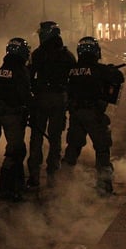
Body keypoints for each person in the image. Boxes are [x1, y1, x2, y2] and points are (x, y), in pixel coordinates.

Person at [63, 36, 125, 196]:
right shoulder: (98, 69)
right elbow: (119, 77)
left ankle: (62, 184)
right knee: (102, 148)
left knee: (73, 147)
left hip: (76, 113)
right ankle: (104, 186)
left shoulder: (72, 70)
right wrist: (110, 70)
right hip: (94, 114)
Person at [27, 21, 76, 188]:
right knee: (55, 138)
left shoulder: (37, 54)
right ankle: (52, 175)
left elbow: (29, 77)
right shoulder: (67, 55)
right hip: (59, 99)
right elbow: (74, 80)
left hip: (41, 99)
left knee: (37, 136)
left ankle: (34, 174)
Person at [0, 37, 32, 200]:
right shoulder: (19, 70)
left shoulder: (3, 68)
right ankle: (7, 188)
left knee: (17, 148)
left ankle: (16, 185)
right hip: (14, 113)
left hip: (5, 113)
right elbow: (23, 93)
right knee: (15, 150)